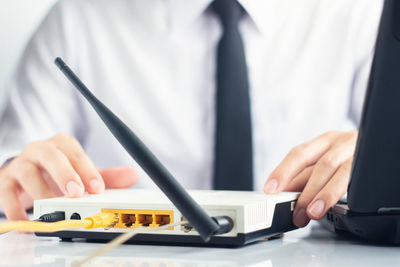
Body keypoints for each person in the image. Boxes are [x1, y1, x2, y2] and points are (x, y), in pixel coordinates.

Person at [0, 0, 383, 229]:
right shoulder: (78, 17)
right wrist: (20, 179)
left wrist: (379, 158)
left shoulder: (360, 13)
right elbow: (14, 177)